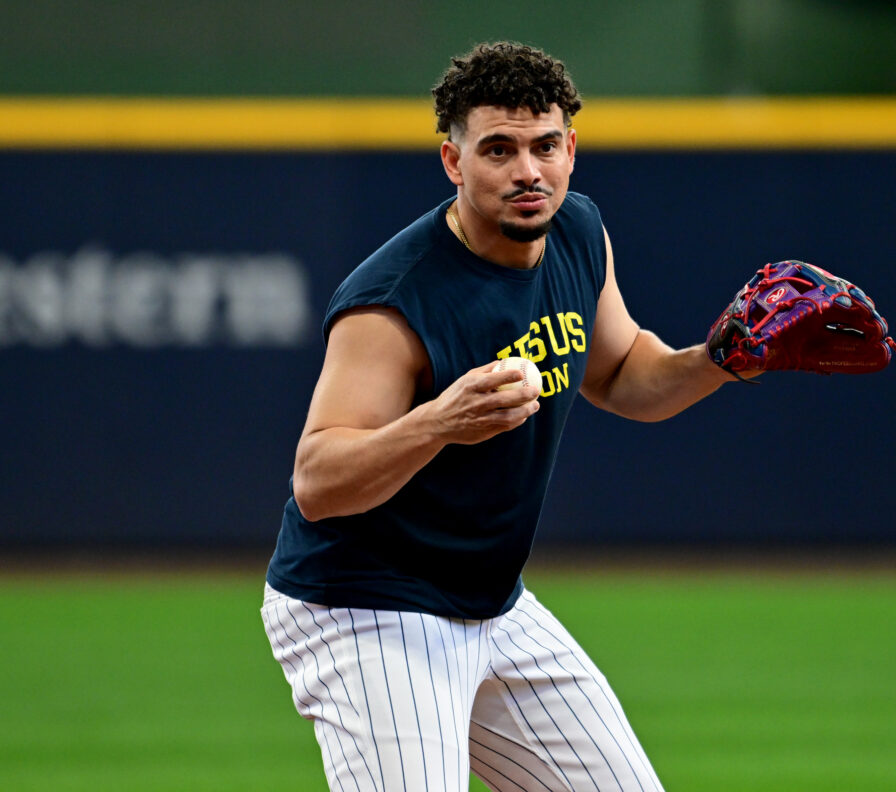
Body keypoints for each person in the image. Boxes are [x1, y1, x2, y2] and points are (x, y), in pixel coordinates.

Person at [261, 41, 743, 792]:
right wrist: (438, 423)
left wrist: (725, 355)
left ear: (572, 149)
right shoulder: (394, 301)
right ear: (454, 162)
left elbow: (623, 376)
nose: (528, 172)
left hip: (492, 602)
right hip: (364, 603)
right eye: (499, 149)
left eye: (545, 145)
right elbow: (319, 481)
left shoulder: (578, 232)